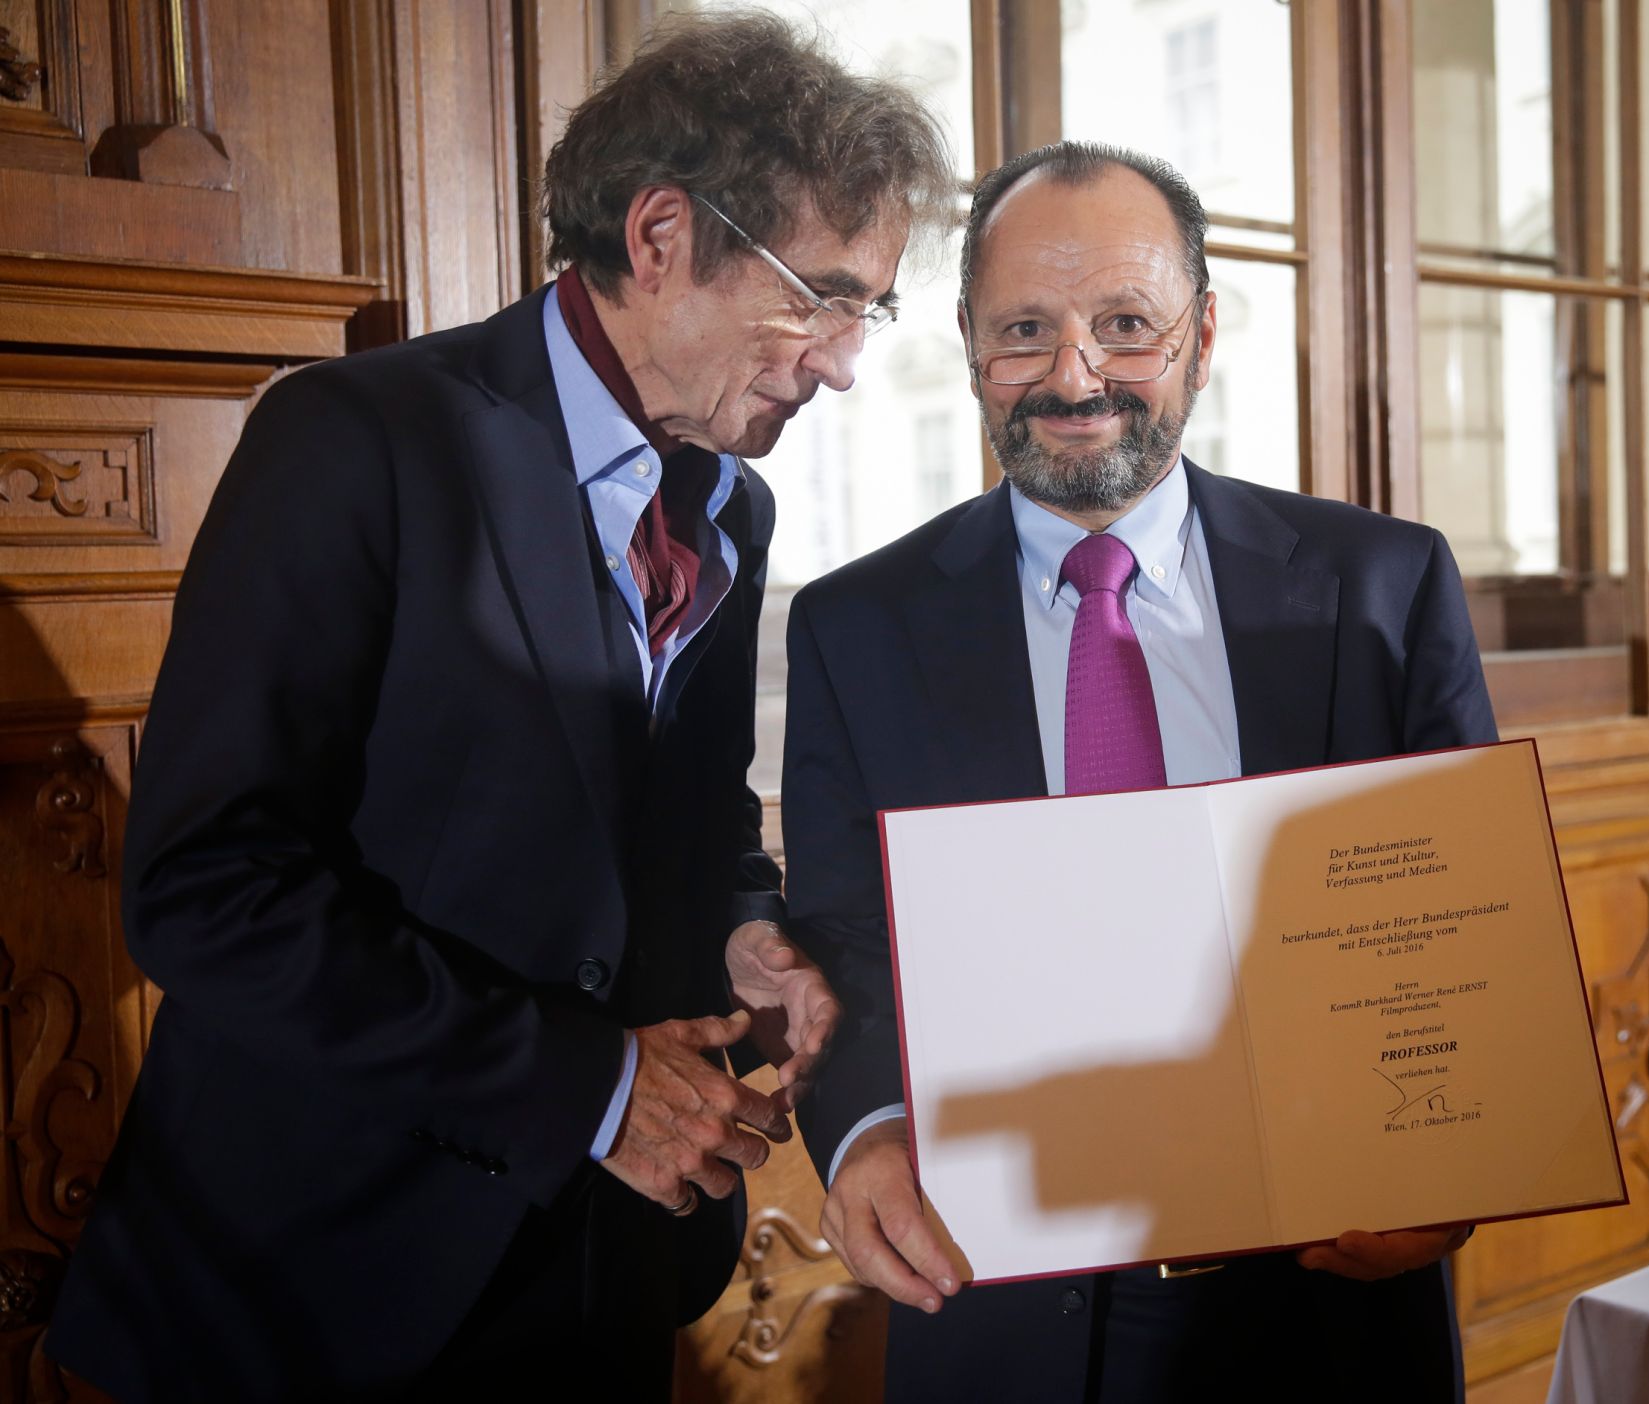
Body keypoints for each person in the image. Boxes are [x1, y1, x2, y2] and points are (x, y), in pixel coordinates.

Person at [44, 14, 955, 1402]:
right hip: (311, 1292)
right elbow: (204, 890)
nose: (840, 362)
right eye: (820, 296)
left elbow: (688, 828)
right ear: (660, 237)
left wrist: (749, 933)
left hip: (602, 1278)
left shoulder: (733, 503)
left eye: (866, 313)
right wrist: (584, 1088)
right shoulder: (355, 444)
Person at [782, 141, 1494, 1402]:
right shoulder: (854, 625)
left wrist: (1453, 1159)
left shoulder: (1379, 589)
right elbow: (841, 933)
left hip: (1327, 1300)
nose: (1074, 377)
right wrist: (868, 1131)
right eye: (1023, 330)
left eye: (1125, 324)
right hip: (997, 1298)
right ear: (963, 343)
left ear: (1202, 333)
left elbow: (1453, 938)